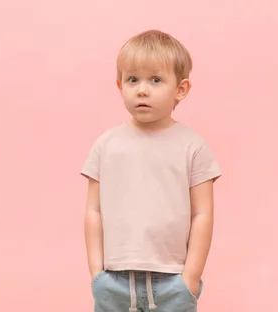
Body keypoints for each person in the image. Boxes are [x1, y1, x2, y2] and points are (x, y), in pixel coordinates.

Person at [81, 29, 222, 312]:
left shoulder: (192, 146)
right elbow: (93, 211)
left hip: (172, 281)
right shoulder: (106, 144)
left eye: (155, 80)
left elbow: (203, 214)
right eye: (133, 79)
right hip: (114, 280)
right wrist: (97, 274)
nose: (142, 89)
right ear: (120, 85)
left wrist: (190, 278)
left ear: (180, 89)